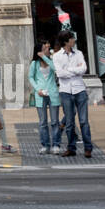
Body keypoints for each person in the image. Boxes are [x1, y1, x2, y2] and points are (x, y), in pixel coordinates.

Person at [53, 30, 93, 159]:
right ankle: (71, 148)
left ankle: (88, 148)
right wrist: (75, 71)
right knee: (69, 123)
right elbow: (59, 74)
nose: (74, 40)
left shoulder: (79, 53)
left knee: (83, 121)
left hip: (79, 89)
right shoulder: (57, 56)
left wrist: (69, 70)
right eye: (72, 38)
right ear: (66, 41)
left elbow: (84, 69)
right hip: (65, 91)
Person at [28, 40, 62, 155]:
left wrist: (46, 57)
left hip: (53, 94)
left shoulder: (52, 61)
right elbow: (31, 78)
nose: (48, 50)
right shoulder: (34, 64)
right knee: (42, 122)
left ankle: (56, 145)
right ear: (39, 51)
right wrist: (38, 89)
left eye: (47, 48)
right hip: (40, 95)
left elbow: (55, 69)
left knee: (55, 121)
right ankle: (45, 145)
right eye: (45, 48)